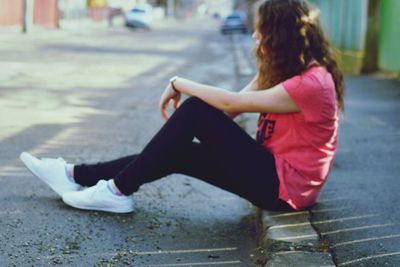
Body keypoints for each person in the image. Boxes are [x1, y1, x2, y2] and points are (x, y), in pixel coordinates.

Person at [20, 0, 344, 214]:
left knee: (193, 110)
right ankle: (75, 174)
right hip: (273, 177)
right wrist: (179, 135)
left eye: (262, 29)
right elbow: (228, 112)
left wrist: (179, 83)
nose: (255, 35)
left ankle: (116, 191)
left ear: (282, 35)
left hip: (285, 190)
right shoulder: (288, 71)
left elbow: (231, 103)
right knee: (179, 149)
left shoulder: (311, 84)